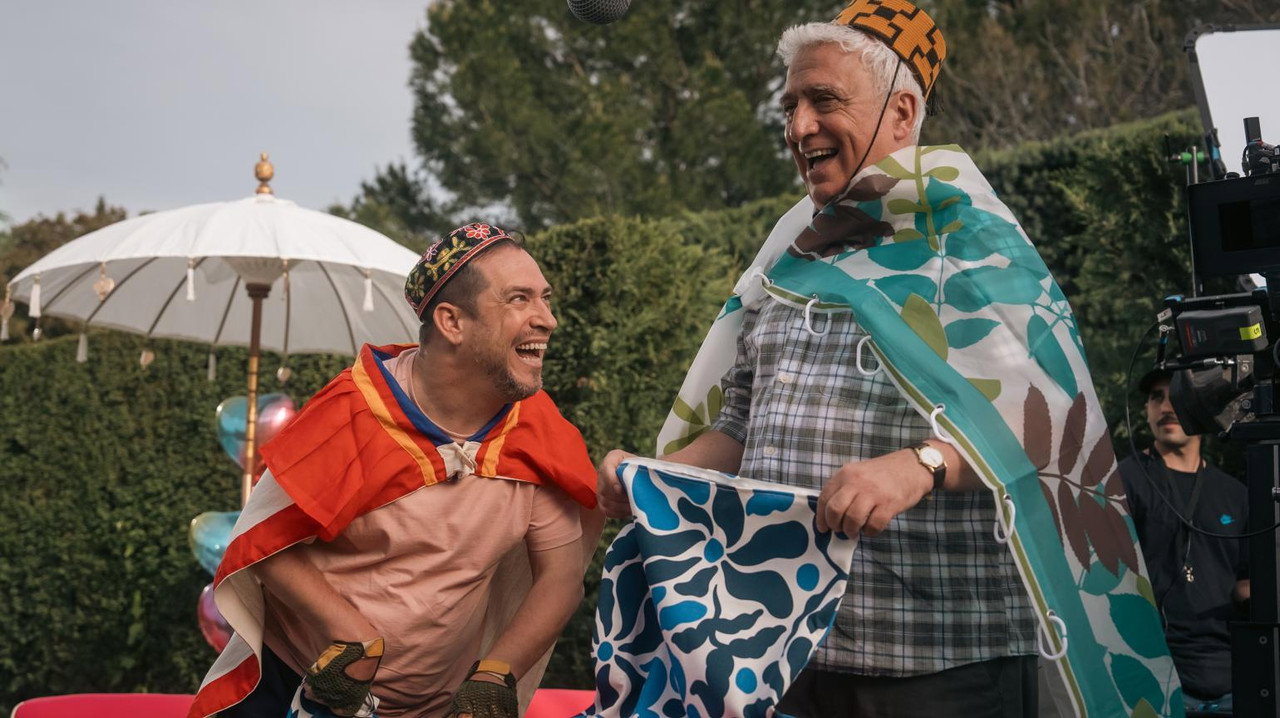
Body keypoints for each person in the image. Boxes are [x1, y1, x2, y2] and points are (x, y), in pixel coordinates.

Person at [594, 1, 1115, 715]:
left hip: (940, 664)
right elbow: (743, 426)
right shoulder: (790, 260)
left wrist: (922, 465)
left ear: (902, 113)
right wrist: (652, 475)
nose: (798, 126)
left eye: (824, 100)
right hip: (780, 651)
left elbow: (1054, 423)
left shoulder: (971, 249)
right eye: (790, 106)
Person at [189, 222, 602, 718]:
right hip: (294, 684)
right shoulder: (351, 412)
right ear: (452, 322)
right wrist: (351, 635)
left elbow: (560, 576)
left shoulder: (538, 430)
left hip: (433, 709)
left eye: (545, 298)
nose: (548, 319)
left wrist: (496, 672)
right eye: (519, 299)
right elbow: (264, 540)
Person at [1119, 368, 1249, 714]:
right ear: (1146, 410)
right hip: (1153, 678)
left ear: (1203, 408)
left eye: (1178, 396)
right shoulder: (1122, 481)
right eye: (1156, 398)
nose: (1167, 407)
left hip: (1231, 681)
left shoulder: (1235, 494)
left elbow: (1246, 584)